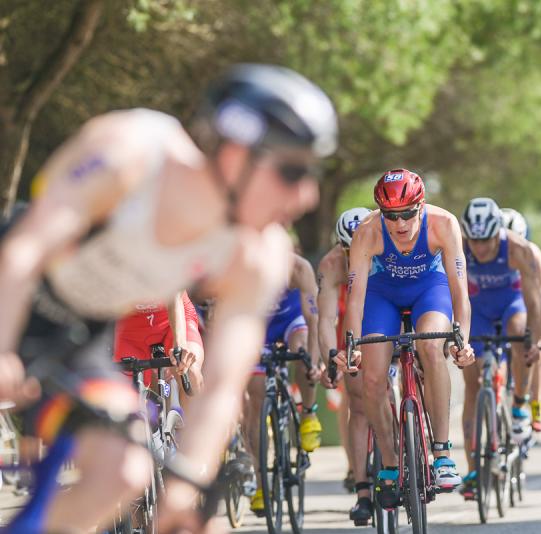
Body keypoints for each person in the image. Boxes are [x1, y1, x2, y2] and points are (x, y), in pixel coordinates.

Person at [0, 63, 337, 532]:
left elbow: (222, 381)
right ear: (234, 152)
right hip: (11, 296)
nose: (307, 196)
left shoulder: (258, 253)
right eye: (292, 172)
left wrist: (186, 485)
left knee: (124, 471)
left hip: (79, 333)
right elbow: (24, 252)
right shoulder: (132, 152)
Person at [332, 168, 475, 508]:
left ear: (421, 206)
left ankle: (442, 452)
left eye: (408, 213)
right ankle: (390, 460)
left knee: (430, 346)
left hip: (430, 289)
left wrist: (462, 340)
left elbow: (459, 291)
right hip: (382, 294)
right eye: (391, 215)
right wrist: (352, 345)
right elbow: (356, 297)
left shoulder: (444, 224)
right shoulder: (368, 231)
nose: (400, 223)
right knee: (371, 376)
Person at [459, 199, 541, 498]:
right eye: (474, 240)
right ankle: (473, 472)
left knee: (519, 332)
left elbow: (536, 304)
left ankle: (520, 406)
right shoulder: (459, 246)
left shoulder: (518, 249)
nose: (479, 248)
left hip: (512, 305)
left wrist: (537, 342)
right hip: (478, 310)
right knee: (473, 386)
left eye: (486, 240)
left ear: (498, 233)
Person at [246, 252, 323, 515]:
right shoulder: (242, 262)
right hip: (258, 326)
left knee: (302, 350)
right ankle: (261, 485)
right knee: (256, 399)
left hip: (291, 320)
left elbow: (314, 319)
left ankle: (309, 413)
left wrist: (313, 362)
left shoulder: (299, 268)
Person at [318, 206, 376, 523]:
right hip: (350, 326)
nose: (355, 255)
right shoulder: (331, 265)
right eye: (348, 249)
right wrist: (331, 356)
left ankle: (414, 438)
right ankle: (361, 486)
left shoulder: (387, 250)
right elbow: (326, 319)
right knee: (355, 401)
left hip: (383, 317)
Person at [501, 207, 541, 430]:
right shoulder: (485, 252)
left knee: (534, 345)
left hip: (523, 304)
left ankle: (536, 400)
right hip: (497, 304)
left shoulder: (534, 257)